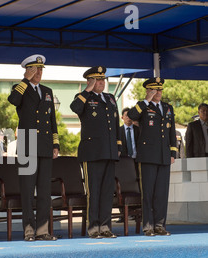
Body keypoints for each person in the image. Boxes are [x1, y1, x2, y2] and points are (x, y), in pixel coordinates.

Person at [7, 54, 60, 242]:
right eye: (35, 69)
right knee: (28, 191)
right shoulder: (19, 88)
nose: (38, 72)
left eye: (40, 69)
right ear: (27, 71)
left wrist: (55, 143)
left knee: (45, 191)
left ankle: (43, 230)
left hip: (45, 145)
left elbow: (52, 119)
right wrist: (25, 80)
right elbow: (12, 100)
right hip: (28, 144)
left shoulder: (47, 90)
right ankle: (29, 230)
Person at [70, 66, 121, 239]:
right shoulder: (83, 97)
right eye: (97, 80)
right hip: (92, 153)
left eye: (102, 80)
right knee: (94, 191)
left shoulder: (110, 98)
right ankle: (93, 227)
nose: (101, 83)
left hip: (109, 151)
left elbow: (116, 124)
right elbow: (75, 108)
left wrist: (118, 146)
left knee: (107, 191)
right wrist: (87, 90)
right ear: (89, 81)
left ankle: (105, 226)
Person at [127, 77, 177, 236]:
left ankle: (160, 225)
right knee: (148, 192)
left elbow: (171, 131)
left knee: (161, 193)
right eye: (155, 90)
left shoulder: (167, 108)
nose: (159, 93)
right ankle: (148, 226)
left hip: (163, 156)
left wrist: (173, 152)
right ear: (149, 90)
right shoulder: (143, 106)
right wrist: (146, 100)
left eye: (160, 89)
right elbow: (131, 115)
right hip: (148, 156)